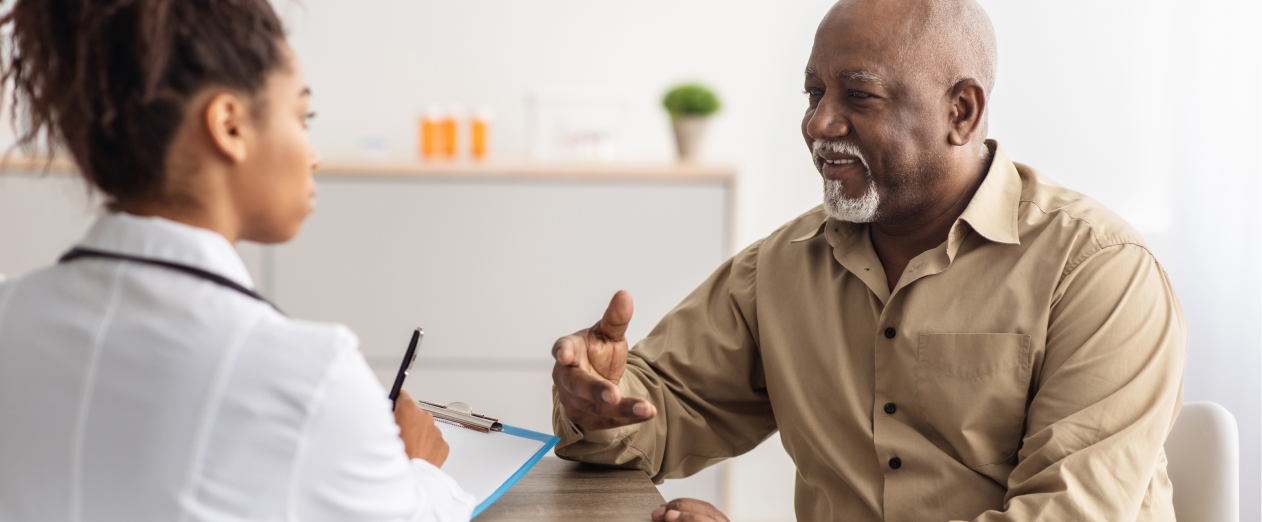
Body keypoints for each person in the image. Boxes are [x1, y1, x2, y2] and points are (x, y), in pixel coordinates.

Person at [549, 0, 1186, 521]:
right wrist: (600, 403)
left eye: (858, 96)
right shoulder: (781, 267)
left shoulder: (1099, 272)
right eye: (813, 93)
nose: (820, 123)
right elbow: (663, 409)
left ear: (960, 112)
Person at [0, 1, 473, 521]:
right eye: (302, 117)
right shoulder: (309, 377)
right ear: (229, 125)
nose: (312, 154)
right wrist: (420, 470)